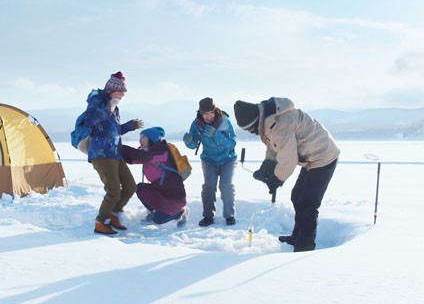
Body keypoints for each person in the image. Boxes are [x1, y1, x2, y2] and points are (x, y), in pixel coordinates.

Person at [233, 97, 340, 252]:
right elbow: (274, 147)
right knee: (297, 195)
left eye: (250, 128)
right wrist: (267, 166)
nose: (250, 132)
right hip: (312, 156)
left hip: (323, 156)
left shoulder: (277, 124)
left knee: (308, 203)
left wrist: (276, 179)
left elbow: (288, 159)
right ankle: (298, 236)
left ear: (256, 121)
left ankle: (306, 244)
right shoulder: (268, 119)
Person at [83, 71, 144, 235]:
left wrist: (130, 126)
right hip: (101, 153)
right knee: (113, 191)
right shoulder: (97, 100)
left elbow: (114, 130)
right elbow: (89, 121)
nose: (122, 96)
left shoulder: (115, 106)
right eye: (120, 92)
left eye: (124, 93)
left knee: (130, 186)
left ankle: (112, 213)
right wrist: (108, 108)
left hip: (115, 152)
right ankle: (100, 222)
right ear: (111, 89)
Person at [183, 97, 237, 226]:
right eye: (205, 113)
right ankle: (208, 216)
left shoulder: (224, 121)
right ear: (201, 113)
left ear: (215, 111)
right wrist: (189, 141)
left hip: (227, 159)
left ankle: (229, 215)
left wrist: (216, 134)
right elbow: (193, 144)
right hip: (209, 160)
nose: (208, 116)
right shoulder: (196, 124)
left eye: (211, 113)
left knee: (226, 186)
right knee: (208, 186)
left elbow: (232, 142)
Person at [121, 127, 188, 226]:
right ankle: (156, 211)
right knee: (141, 188)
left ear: (152, 139)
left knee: (158, 220)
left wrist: (118, 146)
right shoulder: (153, 151)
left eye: (143, 137)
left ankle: (180, 213)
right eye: (140, 137)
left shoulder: (160, 151)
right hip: (161, 191)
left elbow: (137, 156)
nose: (140, 139)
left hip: (175, 199)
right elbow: (134, 158)